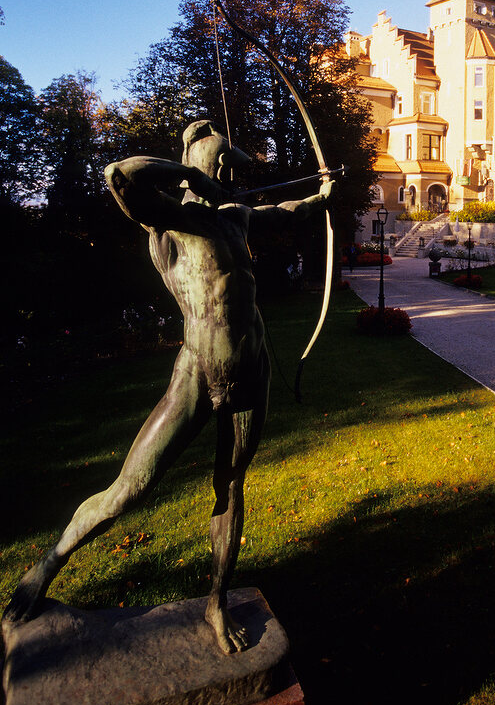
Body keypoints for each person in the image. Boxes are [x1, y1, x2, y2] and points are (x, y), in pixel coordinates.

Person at [2, 120, 333, 654]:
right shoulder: (169, 222)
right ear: (197, 163)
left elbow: (284, 211)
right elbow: (120, 175)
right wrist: (189, 176)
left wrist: (322, 196)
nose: (229, 172)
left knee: (230, 486)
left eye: (230, 166)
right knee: (128, 491)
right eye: (221, 162)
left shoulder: (236, 217)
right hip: (197, 373)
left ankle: (216, 602)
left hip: (253, 369)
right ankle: (47, 565)